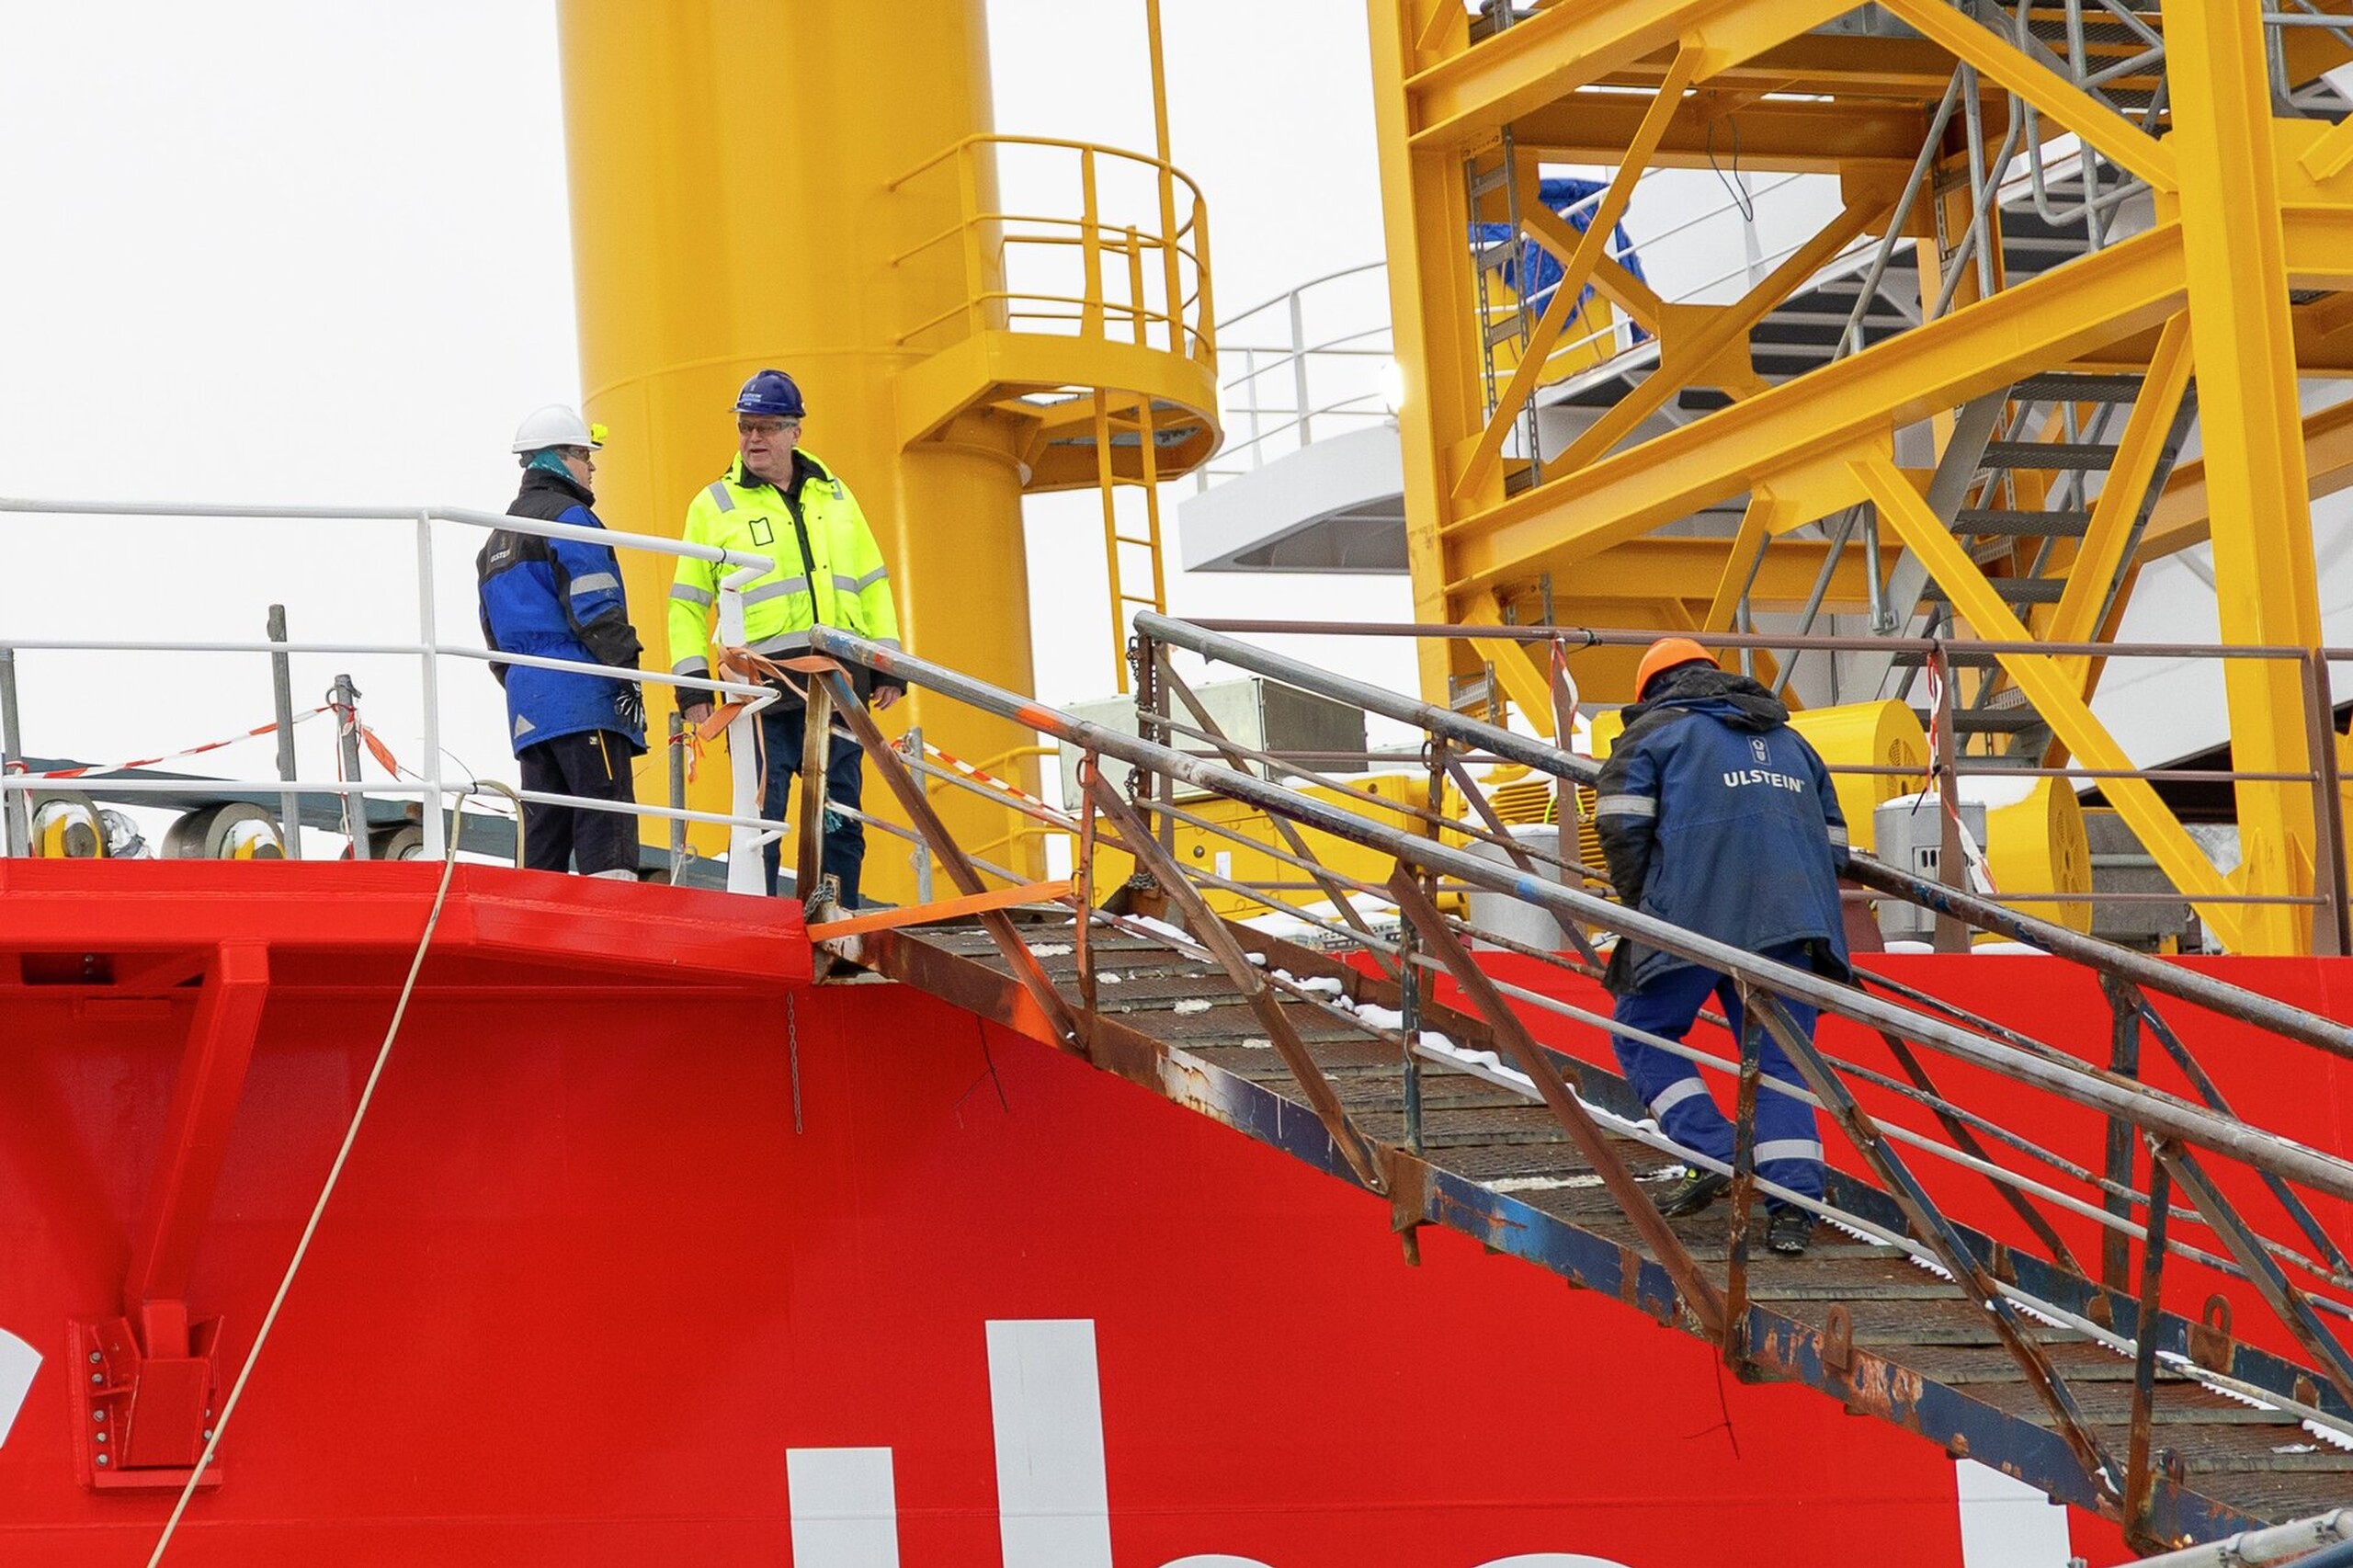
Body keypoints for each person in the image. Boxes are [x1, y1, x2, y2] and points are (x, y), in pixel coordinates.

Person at [1593, 636, 1850, 1256]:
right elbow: (1836, 848)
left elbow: (1620, 829)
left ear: (1652, 689)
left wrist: (1648, 905)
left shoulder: (1655, 734)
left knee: (1643, 1032)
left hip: (1693, 914)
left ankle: (1711, 1152)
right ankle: (1794, 1208)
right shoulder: (1794, 742)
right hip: (1795, 919)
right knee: (1781, 1062)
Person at [669, 369, 904, 907]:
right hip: (760, 688)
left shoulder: (837, 497)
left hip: (838, 683)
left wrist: (887, 663)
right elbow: (686, 603)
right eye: (746, 427)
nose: (754, 439)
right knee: (761, 808)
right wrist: (692, 687)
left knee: (840, 808)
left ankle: (836, 908)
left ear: (796, 431)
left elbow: (872, 583)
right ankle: (764, 915)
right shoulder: (714, 506)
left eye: (767, 427)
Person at [477, 403, 646, 879]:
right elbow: (596, 605)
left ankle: (536, 935)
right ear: (556, 458)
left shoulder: (492, 543)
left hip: (528, 708)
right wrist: (627, 671)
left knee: (543, 836)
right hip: (583, 695)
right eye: (583, 454)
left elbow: (493, 643)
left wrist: (527, 686)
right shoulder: (569, 518)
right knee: (604, 824)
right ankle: (613, 933)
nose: (591, 466)